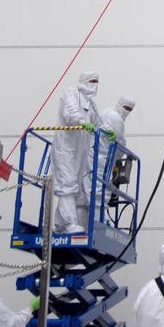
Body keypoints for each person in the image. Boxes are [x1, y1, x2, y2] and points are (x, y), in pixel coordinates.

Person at [52, 70, 100, 234]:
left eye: (96, 82)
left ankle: (60, 225)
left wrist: (108, 133)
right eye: (92, 81)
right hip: (66, 149)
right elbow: (70, 113)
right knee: (67, 184)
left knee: (74, 186)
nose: (94, 85)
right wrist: (81, 121)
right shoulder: (71, 93)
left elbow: (99, 124)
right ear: (83, 81)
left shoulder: (91, 105)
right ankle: (70, 223)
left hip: (80, 152)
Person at [89, 95, 135, 212]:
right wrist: (119, 157)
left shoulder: (105, 112)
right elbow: (120, 143)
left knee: (90, 188)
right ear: (119, 104)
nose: (127, 111)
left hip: (92, 155)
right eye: (126, 108)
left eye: (130, 110)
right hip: (104, 159)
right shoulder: (117, 119)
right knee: (101, 190)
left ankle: (88, 218)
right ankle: (97, 219)